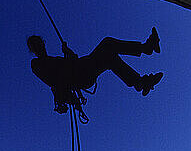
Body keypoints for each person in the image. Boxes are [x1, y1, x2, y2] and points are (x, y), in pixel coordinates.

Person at [28, 28, 164, 113]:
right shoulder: (37, 64)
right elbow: (54, 81)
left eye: (39, 43)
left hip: (81, 69)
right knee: (108, 44)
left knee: (110, 55)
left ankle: (140, 82)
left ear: (43, 44)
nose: (39, 46)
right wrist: (67, 96)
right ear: (33, 50)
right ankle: (146, 50)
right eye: (36, 45)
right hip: (80, 75)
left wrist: (67, 52)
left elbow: (73, 60)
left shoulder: (53, 59)